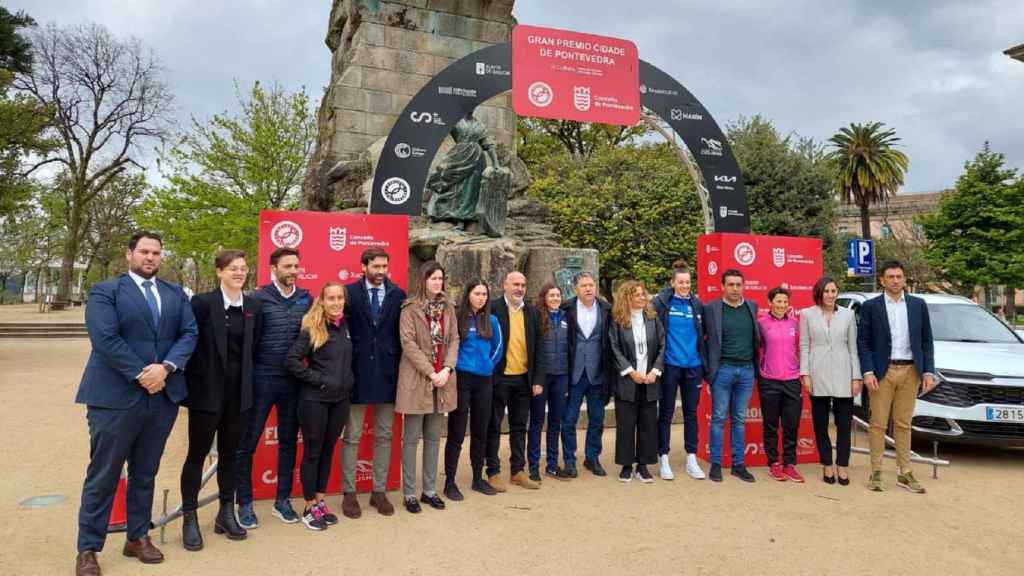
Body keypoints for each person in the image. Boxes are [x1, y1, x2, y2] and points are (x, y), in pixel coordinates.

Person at [75, 231, 198, 576]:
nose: (150, 257)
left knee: (146, 471)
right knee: (104, 475)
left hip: (162, 398)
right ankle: (88, 548)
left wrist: (166, 368)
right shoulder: (106, 291)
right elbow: (104, 338)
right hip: (115, 398)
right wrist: (142, 374)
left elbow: (189, 334)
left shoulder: (175, 294)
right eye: (144, 251)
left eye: (156, 252)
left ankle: (138, 536)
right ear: (129, 254)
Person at [180, 250, 260, 550]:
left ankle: (226, 513)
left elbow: (255, 347)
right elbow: (189, 343)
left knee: (230, 455)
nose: (239, 273)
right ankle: (190, 516)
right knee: (196, 456)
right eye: (232, 268)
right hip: (206, 395)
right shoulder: (201, 304)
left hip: (238, 397)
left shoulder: (253, 307)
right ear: (219, 272)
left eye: (243, 268)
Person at [236, 247, 311, 528]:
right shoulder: (256, 299)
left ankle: (282, 501)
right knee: (248, 442)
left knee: (289, 441)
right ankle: (244, 502)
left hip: (293, 381)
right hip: (261, 378)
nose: (293, 271)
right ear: (273, 269)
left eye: (296, 266)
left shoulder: (307, 299)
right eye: (287, 266)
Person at [858, 260, 935, 493]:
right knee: (878, 424)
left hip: (911, 371)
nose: (895, 280)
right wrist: (868, 371)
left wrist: (928, 370)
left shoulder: (917, 305)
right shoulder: (871, 307)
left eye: (899, 276)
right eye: (890, 276)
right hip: (883, 372)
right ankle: (877, 472)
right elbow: (863, 341)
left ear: (904, 279)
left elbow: (926, 340)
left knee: (904, 424)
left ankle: (905, 472)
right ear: (882, 280)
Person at [341, 247, 406, 518]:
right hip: (356, 372)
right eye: (376, 266)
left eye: (384, 267)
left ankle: (379, 492)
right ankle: (349, 493)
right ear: (364, 266)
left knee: (384, 435)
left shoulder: (398, 294)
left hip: (389, 374)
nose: (381, 272)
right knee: (352, 437)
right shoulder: (348, 293)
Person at [285, 282, 355, 530]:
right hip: (314, 400)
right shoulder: (312, 327)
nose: (336, 302)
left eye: (340, 298)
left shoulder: (346, 325)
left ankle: (320, 501)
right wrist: (321, 381)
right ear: (322, 301)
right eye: (331, 298)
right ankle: (308, 506)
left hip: (340, 401)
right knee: (313, 453)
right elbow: (291, 360)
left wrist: (346, 384)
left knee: (328, 451)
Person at [396, 261, 460, 513]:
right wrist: (431, 372)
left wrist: (446, 369)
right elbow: (408, 343)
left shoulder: (449, 307)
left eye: (440, 278)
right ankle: (409, 493)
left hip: (442, 380)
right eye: (433, 278)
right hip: (418, 378)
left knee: (434, 437)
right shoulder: (410, 308)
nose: (437, 282)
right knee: (411, 438)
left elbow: (454, 339)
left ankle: (429, 490)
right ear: (423, 280)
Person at [486, 271, 545, 491]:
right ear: (505, 285)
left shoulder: (531, 312)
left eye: (523, 284)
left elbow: (539, 348)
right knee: (493, 424)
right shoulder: (492, 308)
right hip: (498, 378)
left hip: (523, 380)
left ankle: (518, 471)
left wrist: (538, 379)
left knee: (520, 426)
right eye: (515, 284)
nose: (520, 288)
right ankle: (492, 471)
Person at [443, 279, 503, 499]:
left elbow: (498, 348)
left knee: (481, 432)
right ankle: (450, 482)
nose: (481, 298)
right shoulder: (457, 317)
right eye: (477, 293)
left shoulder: (492, 320)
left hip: (484, 381)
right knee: (457, 432)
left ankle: (478, 478)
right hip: (461, 380)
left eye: (484, 294)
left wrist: (487, 364)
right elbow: (450, 346)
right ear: (468, 294)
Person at [800, 276, 861, 486]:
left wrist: (856, 377)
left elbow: (853, 348)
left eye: (833, 291)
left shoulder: (848, 315)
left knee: (844, 424)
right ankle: (827, 463)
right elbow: (804, 346)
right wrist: (805, 374)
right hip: (818, 374)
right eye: (826, 291)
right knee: (820, 425)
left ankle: (842, 465)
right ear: (819, 292)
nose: (830, 295)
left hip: (844, 373)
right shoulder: (807, 314)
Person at [703, 269, 761, 483]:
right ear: (722, 286)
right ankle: (716, 464)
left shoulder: (751, 307)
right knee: (718, 419)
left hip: (747, 371)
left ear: (743, 286)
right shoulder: (711, 309)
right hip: (723, 371)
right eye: (731, 285)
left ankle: (738, 465)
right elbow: (702, 340)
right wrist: (708, 370)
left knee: (738, 420)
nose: (735, 289)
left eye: (739, 284)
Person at [651, 261, 707, 480]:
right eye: (680, 282)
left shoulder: (697, 304)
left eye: (688, 282)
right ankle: (663, 458)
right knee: (665, 413)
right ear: (673, 282)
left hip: (693, 366)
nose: (684, 286)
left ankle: (691, 458)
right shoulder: (662, 302)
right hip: (670, 366)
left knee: (691, 414)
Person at [609, 281, 666, 483]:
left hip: (650, 379)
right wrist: (630, 371)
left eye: (644, 294)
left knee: (648, 424)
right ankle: (626, 465)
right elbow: (614, 348)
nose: (642, 298)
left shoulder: (653, 318)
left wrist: (655, 371)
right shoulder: (618, 321)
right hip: (628, 380)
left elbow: (662, 345)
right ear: (627, 298)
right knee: (626, 424)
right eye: (637, 295)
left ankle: (643, 465)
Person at [757, 286, 804, 483]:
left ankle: (790, 464)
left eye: (785, 302)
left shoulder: (795, 323)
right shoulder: (761, 323)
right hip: (769, 381)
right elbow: (758, 349)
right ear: (770, 302)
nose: (782, 305)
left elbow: (801, 349)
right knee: (770, 425)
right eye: (778, 301)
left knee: (791, 425)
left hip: (792, 381)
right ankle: (773, 463)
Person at [528, 283, 570, 481]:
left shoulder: (565, 317)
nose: (555, 298)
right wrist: (536, 378)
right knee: (536, 421)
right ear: (544, 297)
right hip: (542, 377)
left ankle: (552, 464)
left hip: (561, 375)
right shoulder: (537, 316)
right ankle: (533, 466)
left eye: (558, 295)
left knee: (555, 422)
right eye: (551, 295)